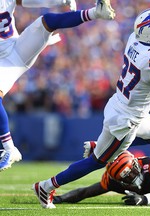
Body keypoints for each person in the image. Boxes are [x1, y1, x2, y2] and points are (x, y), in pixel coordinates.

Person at [32, 7, 150, 209]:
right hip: (127, 119)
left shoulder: (134, 39)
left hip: (121, 104)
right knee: (97, 162)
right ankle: (47, 186)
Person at [0, 0, 115, 171]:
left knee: (46, 21)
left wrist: (60, 0)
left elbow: (28, 1)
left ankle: (96, 13)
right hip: (6, 63)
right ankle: (10, 148)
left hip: (17, 46)